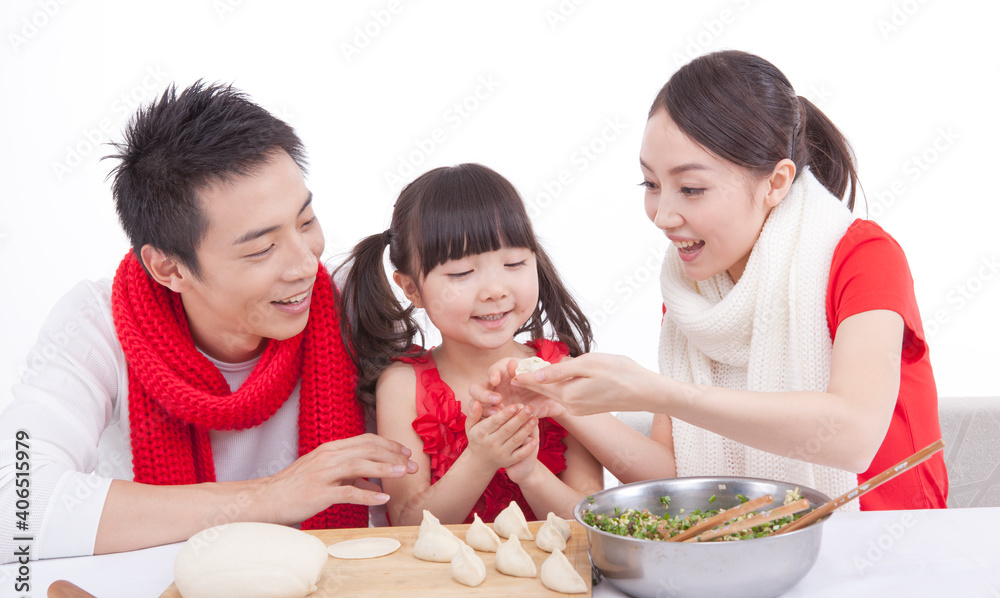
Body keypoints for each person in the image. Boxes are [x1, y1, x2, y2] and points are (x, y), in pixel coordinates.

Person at [474, 51, 948, 511]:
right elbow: (676, 477)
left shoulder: (862, 256)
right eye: (651, 185)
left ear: (776, 182)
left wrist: (654, 391)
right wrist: (560, 403)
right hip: (765, 552)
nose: (662, 215)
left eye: (692, 189)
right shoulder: (692, 291)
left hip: (887, 549)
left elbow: (854, 435)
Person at [0, 82, 417, 564]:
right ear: (169, 269)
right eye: (262, 248)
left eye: (306, 222)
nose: (305, 265)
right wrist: (269, 496)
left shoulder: (350, 304)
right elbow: (15, 503)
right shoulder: (98, 325)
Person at [339, 163, 667, 525]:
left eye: (514, 263)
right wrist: (480, 460)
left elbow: (589, 520)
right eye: (462, 273)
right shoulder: (402, 385)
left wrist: (529, 472)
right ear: (411, 288)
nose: (495, 291)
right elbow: (407, 523)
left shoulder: (558, 370)